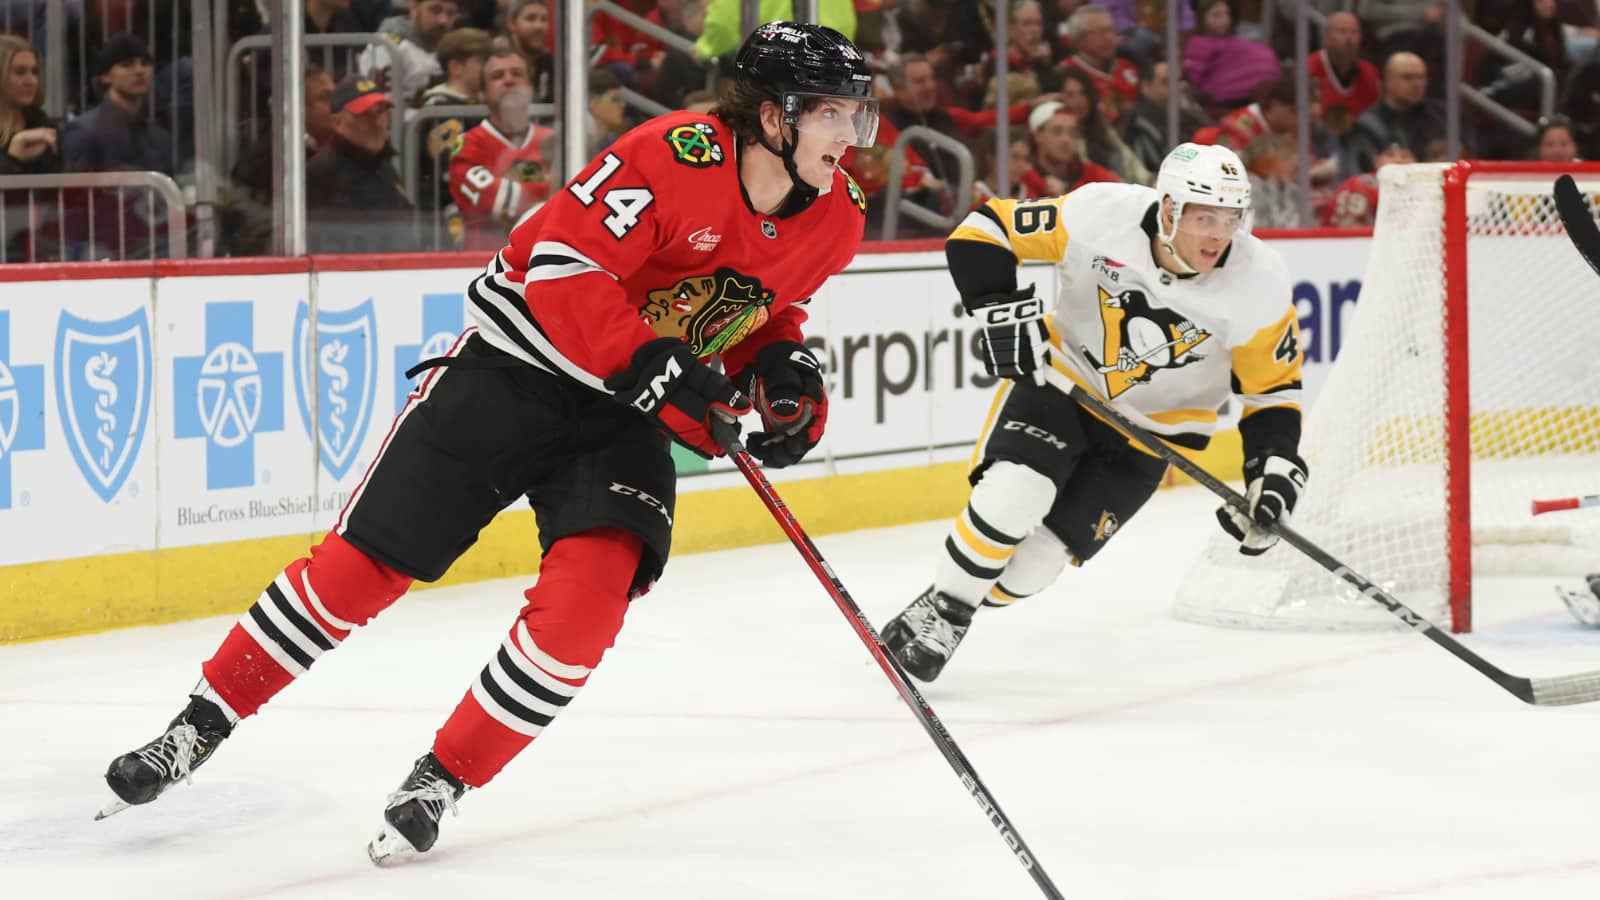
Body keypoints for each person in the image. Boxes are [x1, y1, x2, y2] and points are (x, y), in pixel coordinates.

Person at [100, 21, 876, 864]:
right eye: (831, 113)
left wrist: (784, 370)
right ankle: (195, 726)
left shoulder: (838, 217)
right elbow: (561, 268)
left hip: (619, 417)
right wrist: (650, 364)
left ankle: (444, 777)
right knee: (358, 571)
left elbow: (766, 307)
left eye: (854, 114)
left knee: (587, 610)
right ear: (772, 117)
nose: (850, 134)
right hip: (515, 370)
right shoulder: (671, 155)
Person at [880, 142, 1306, 682]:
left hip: (1152, 437)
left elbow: (1272, 392)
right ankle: (947, 612)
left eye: (1231, 218)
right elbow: (985, 229)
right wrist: (997, 309)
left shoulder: (1260, 280)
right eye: (1205, 217)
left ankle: (953, 592)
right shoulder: (1101, 213)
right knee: (1015, 495)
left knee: (1035, 567)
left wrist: (1270, 473)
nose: (1220, 235)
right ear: (1170, 208)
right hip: (1063, 385)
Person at [448, 50, 554, 251]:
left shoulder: (553, 140)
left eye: (517, 74)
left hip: (545, 260)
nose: (509, 80)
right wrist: (549, 189)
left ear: (530, 88)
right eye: (497, 76)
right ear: (482, 94)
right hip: (486, 266)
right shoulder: (467, 146)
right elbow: (495, 202)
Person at [1344, 50, 1455, 175]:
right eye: (1407, 77)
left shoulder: (1441, 114)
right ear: (1388, 81)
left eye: (1421, 77)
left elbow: (1467, 151)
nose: (1416, 84)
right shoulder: (1367, 126)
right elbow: (1361, 174)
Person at [359, 0, 462, 106]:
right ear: (414, 8)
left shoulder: (454, 51)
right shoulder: (388, 46)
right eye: (435, 10)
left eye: (451, 13)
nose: (443, 20)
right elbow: (381, 108)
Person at [1021, 100, 1118, 196]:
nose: (1066, 139)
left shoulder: (1095, 176)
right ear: (1037, 136)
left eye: (1072, 132)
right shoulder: (1022, 180)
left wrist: (1066, 196)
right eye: (1057, 131)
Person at [1306, 11, 1380, 135]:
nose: (1349, 38)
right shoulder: (1308, 69)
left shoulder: (1370, 73)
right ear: (1326, 36)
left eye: (1354, 32)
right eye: (1342, 31)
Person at [0, 34, 59, 176]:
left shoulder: (44, 124)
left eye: (34, 72)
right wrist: (13, 157)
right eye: (19, 72)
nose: (31, 81)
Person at [1322, 142, 1414, 227]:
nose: (1398, 160)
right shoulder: (1358, 184)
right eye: (1390, 155)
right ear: (1377, 161)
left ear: (1415, 161)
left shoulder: (1423, 188)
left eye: (1404, 156)